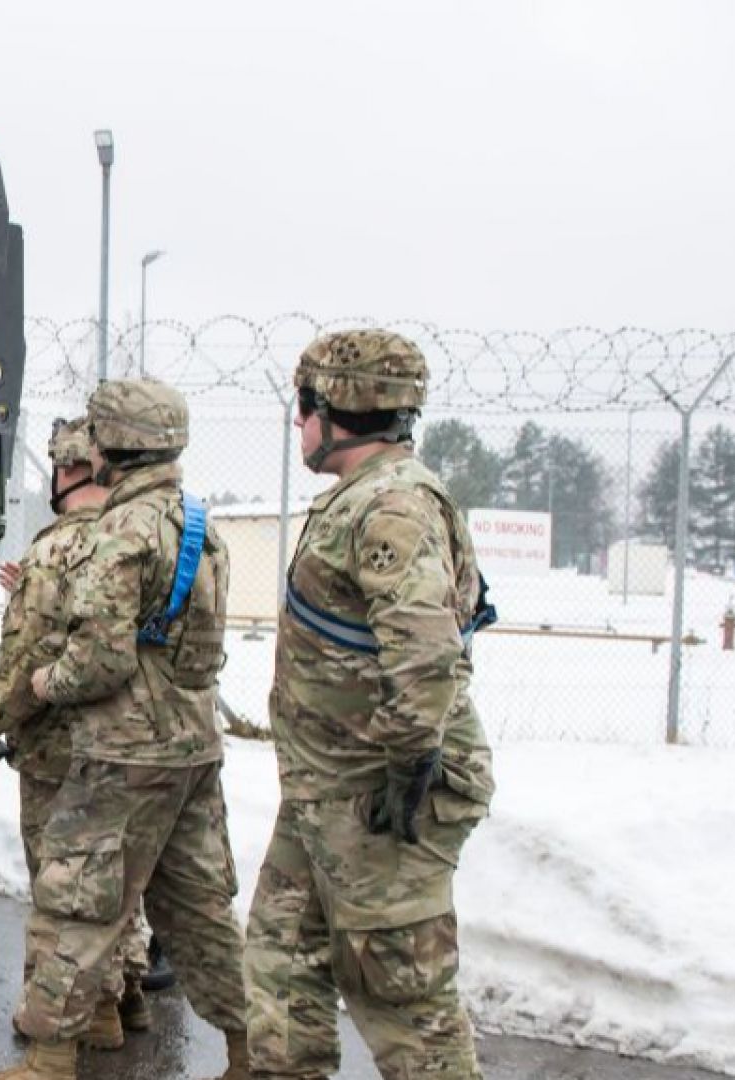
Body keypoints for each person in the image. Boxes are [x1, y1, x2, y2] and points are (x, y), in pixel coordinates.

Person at [0, 379, 247, 1080]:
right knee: (199, 908)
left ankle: (49, 1058)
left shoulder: (122, 532)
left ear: (109, 446)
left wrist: (41, 684)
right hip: (192, 745)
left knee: (79, 904)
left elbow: (98, 661)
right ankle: (253, 1053)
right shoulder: (202, 527)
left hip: (121, 751)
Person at [244, 330, 497, 1080]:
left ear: (334, 409)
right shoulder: (363, 498)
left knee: (403, 1003)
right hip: (328, 790)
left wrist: (408, 772)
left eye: (303, 408)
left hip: (377, 796)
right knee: (282, 960)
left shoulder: (393, 506)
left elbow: (423, 654)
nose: (298, 425)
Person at [0, 417, 152, 1047]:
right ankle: (121, 996)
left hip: (58, 750)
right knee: (115, 877)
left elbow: (23, 662)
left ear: (69, 471)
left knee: (59, 884)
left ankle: (62, 1018)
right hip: (135, 744)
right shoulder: (141, 539)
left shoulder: (55, 550)